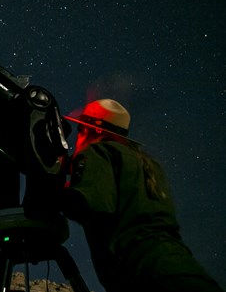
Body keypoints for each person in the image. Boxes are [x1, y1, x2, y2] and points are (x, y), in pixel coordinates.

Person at [61, 99, 223, 292]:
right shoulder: (147, 163)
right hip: (178, 263)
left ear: (92, 130)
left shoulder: (98, 151)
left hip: (141, 270)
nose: (77, 137)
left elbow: (90, 204)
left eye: (80, 129)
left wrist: (55, 192)